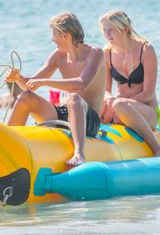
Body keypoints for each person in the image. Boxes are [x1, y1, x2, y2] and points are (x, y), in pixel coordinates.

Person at [6, 12, 105, 166]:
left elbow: (81, 84)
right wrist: (18, 78)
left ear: (66, 35)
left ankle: (79, 154)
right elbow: (31, 84)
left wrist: (45, 82)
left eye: (54, 35)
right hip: (63, 113)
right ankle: (6, 144)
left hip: (88, 119)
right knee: (26, 97)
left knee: (74, 98)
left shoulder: (95, 53)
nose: (52, 39)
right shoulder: (58, 56)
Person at [99, 10, 160, 157]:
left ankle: (157, 148)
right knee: (99, 102)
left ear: (124, 29)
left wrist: (120, 104)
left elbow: (148, 93)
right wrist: (110, 102)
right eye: (104, 30)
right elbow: (105, 90)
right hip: (118, 108)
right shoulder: (107, 53)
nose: (107, 34)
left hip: (146, 110)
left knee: (119, 104)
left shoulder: (146, 50)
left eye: (111, 30)